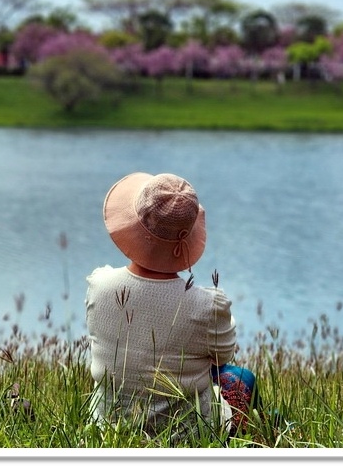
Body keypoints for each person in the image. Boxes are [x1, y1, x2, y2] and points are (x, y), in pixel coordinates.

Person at [84, 172, 259, 441]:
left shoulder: (99, 284)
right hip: (188, 436)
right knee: (241, 377)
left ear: (133, 226)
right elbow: (223, 356)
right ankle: (252, 441)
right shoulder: (208, 305)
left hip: (109, 429)